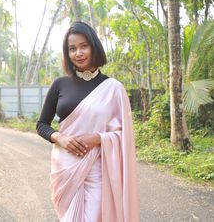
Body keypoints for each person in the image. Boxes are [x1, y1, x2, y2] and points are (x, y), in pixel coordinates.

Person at [36, 21, 139, 222]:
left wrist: (97, 138)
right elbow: (42, 125)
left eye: (84, 46)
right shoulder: (60, 84)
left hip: (97, 170)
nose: (78, 53)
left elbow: (124, 135)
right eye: (72, 49)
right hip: (64, 168)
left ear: (94, 47)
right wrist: (60, 138)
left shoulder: (113, 88)